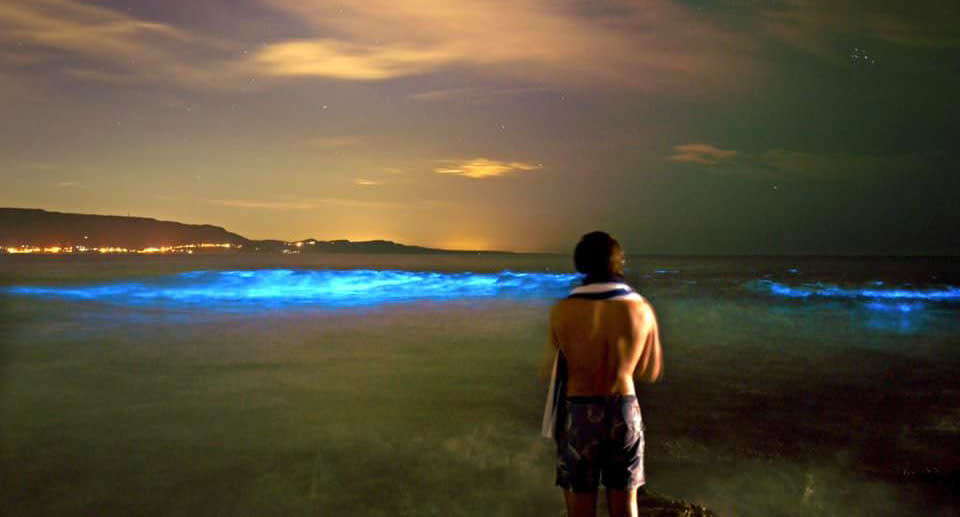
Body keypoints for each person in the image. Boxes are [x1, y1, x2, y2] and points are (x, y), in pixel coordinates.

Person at [542, 231, 663, 517]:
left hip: (579, 413)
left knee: (580, 510)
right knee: (625, 506)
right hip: (623, 408)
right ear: (617, 263)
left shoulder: (562, 310)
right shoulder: (641, 309)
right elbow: (650, 370)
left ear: (581, 264)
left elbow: (550, 368)